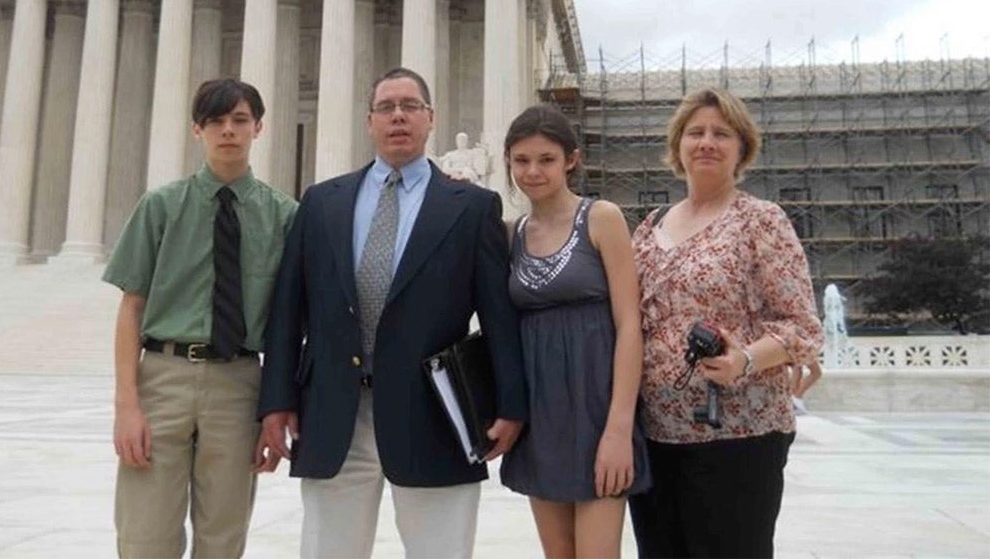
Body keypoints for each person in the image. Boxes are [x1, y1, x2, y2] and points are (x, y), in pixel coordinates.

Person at [257, 67, 527, 558]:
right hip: (336, 412)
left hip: (435, 415)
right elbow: (288, 310)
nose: (398, 116)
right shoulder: (321, 204)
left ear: (431, 119)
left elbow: (498, 317)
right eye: (386, 108)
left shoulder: (471, 208)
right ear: (369, 122)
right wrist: (275, 400)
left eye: (410, 106)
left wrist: (509, 405)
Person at [105, 78, 298, 558]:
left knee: (224, 535)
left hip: (238, 382)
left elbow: (290, 322)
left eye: (239, 120)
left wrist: (275, 409)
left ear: (259, 127)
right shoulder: (161, 206)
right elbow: (131, 307)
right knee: (144, 534)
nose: (228, 131)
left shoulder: (284, 216)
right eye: (216, 121)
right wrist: (127, 407)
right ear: (197, 130)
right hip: (163, 378)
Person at [627, 87, 823, 559]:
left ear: (742, 148)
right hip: (655, 435)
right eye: (695, 132)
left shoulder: (761, 221)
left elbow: (803, 326)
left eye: (722, 133)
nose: (707, 142)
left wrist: (747, 359)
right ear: (678, 146)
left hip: (739, 433)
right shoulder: (649, 226)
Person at [499, 104, 651, 558]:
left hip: (598, 412)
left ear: (571, 160)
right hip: (541, 418)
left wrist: (619, 429)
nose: (533, 171)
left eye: (546, 159)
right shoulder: (512, 234)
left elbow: (629, 327)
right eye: (522, 160)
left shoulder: (601, 218)